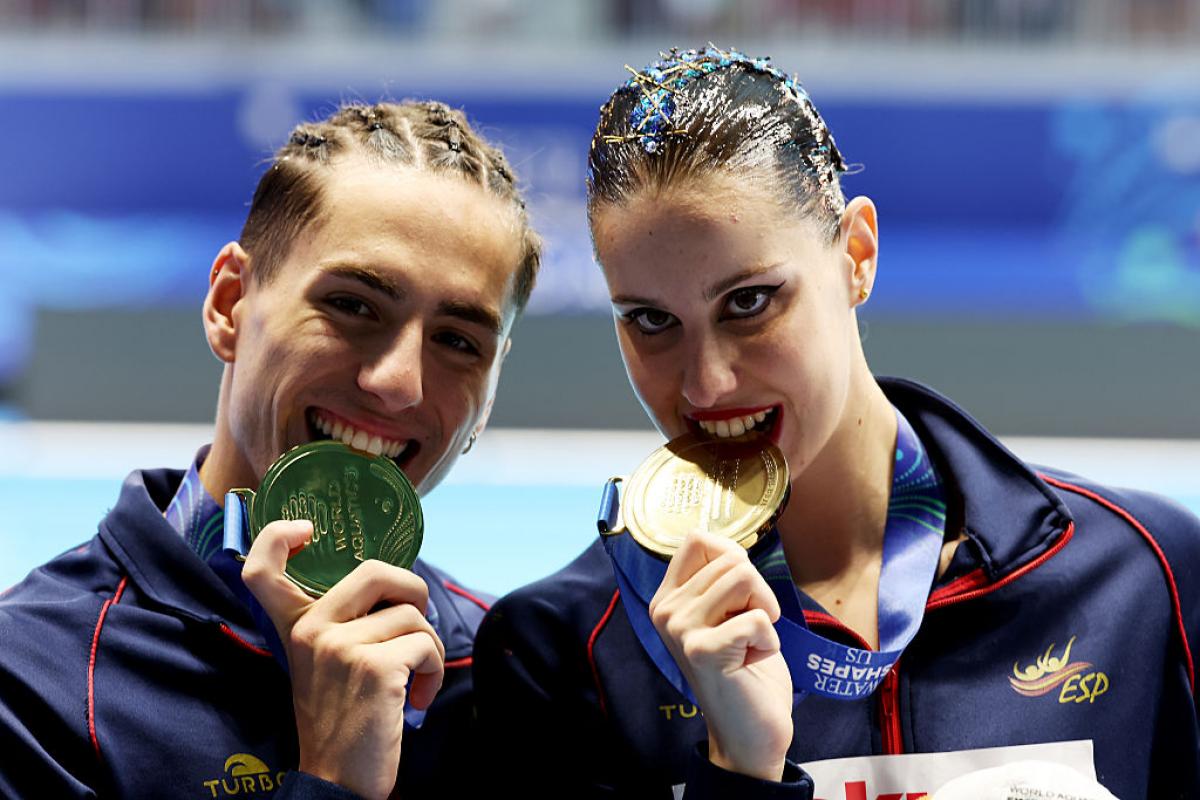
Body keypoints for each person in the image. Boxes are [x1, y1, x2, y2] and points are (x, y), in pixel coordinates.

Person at [473, 46, 1200, 800]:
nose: (707, 382)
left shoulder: (1141, 576)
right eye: (652, 320)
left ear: (856, 254)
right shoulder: (565, 651)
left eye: (749, 302)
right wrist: (738, 773)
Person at [0, 99, 540, 799]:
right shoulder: (32, 682)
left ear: (487, 402)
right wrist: (334, 780)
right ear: (230, 304)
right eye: (353, 306)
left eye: (459, 342)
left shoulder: (508, 673)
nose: (398, 383)